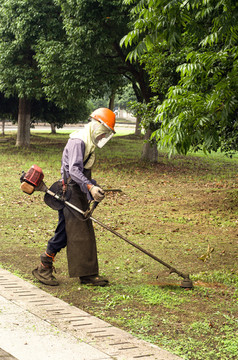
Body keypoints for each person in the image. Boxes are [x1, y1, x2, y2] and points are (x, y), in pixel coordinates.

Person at [32, 108, 116, 286]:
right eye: (104, 133)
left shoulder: (88, 141)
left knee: (81, 232)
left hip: (77, 190)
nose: (103, 137)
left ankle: (87, 274)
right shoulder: (78, 140)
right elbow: (74, 170)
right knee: (65, 232)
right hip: (69, 191)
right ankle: (44, 266)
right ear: (98, 127)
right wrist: (90, 186)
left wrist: (93, 186)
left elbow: (82, 172)